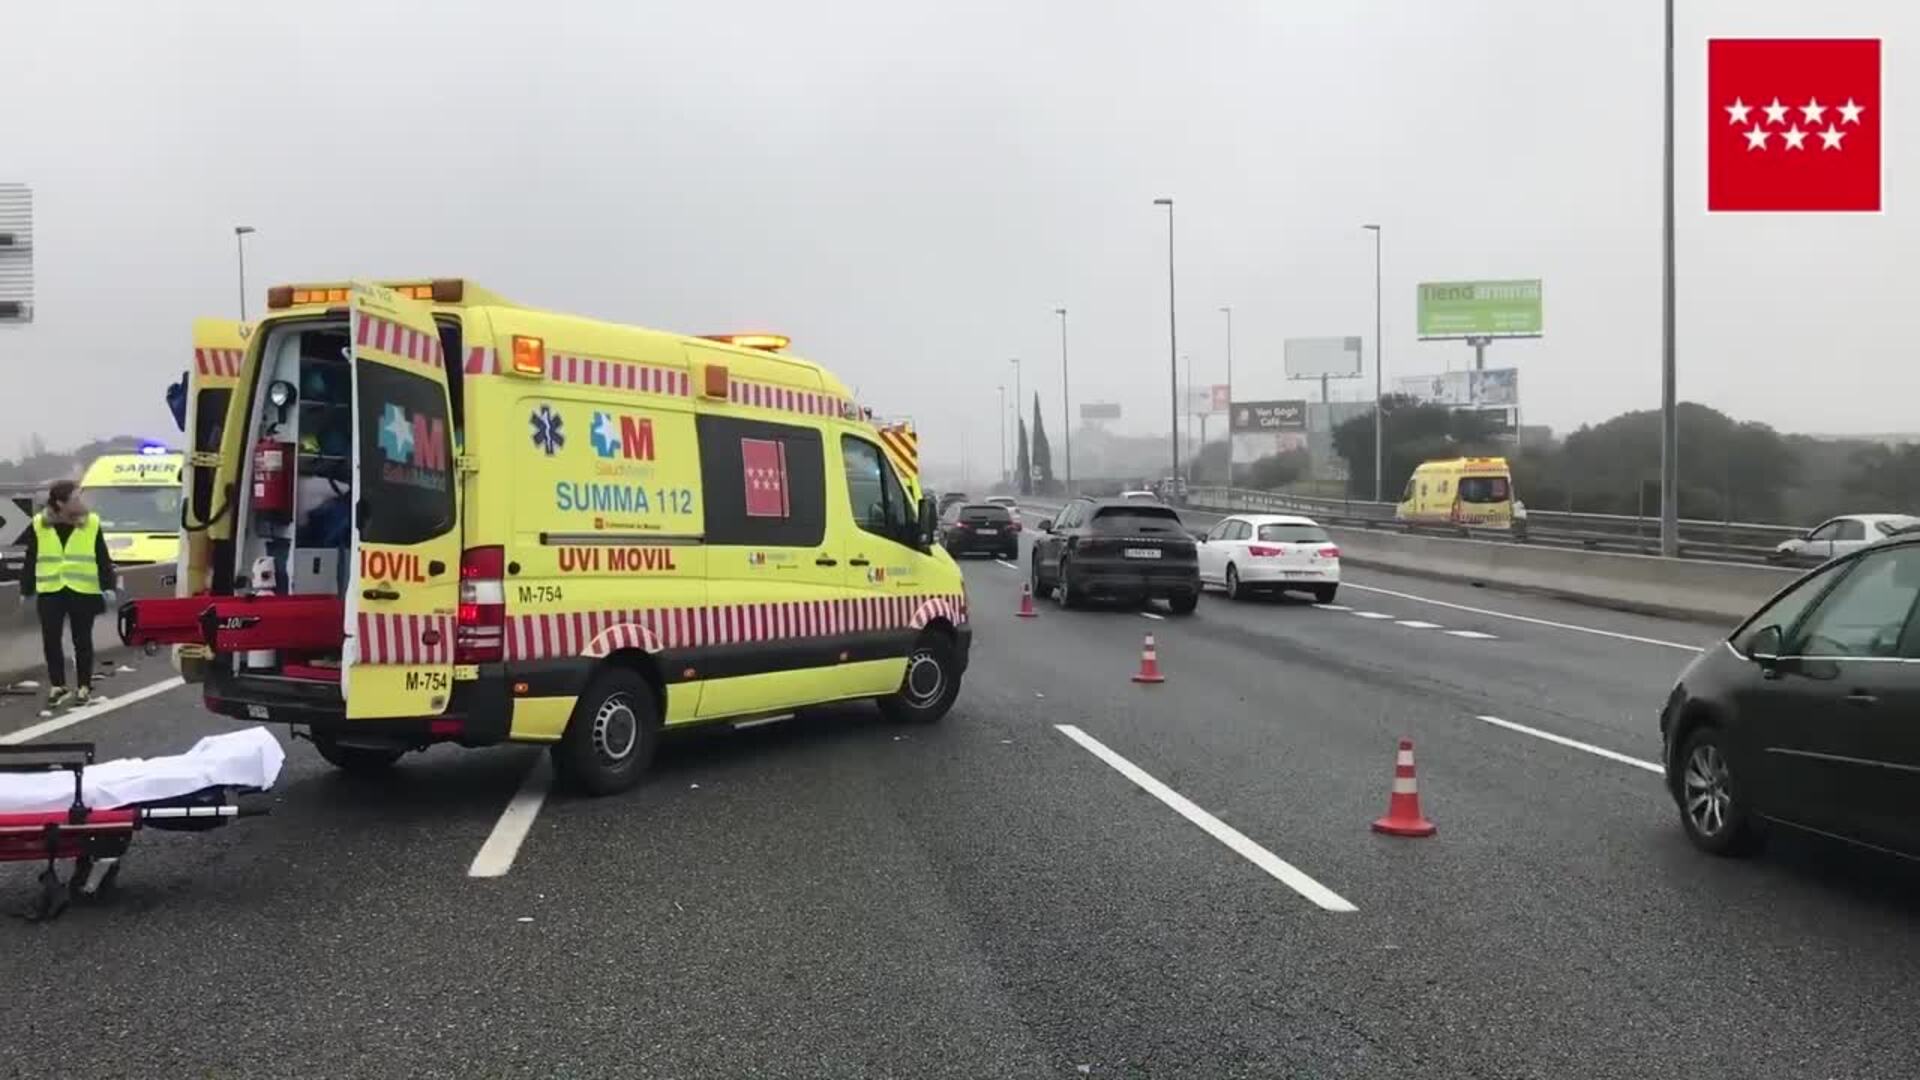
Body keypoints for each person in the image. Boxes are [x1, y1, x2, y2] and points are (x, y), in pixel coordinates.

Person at [20, 480, 117, 709]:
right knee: (50, 639)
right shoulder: (39, 524)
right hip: (51, 589)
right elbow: (31, 558)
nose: (79, 501)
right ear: (60, 503)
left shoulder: (91, 522)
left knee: (82, 640)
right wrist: (26, 588)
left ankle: (83, 685)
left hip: (82, 589)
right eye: (74, 498)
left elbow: (102, 556)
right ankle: (58, 685)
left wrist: (108, 585)